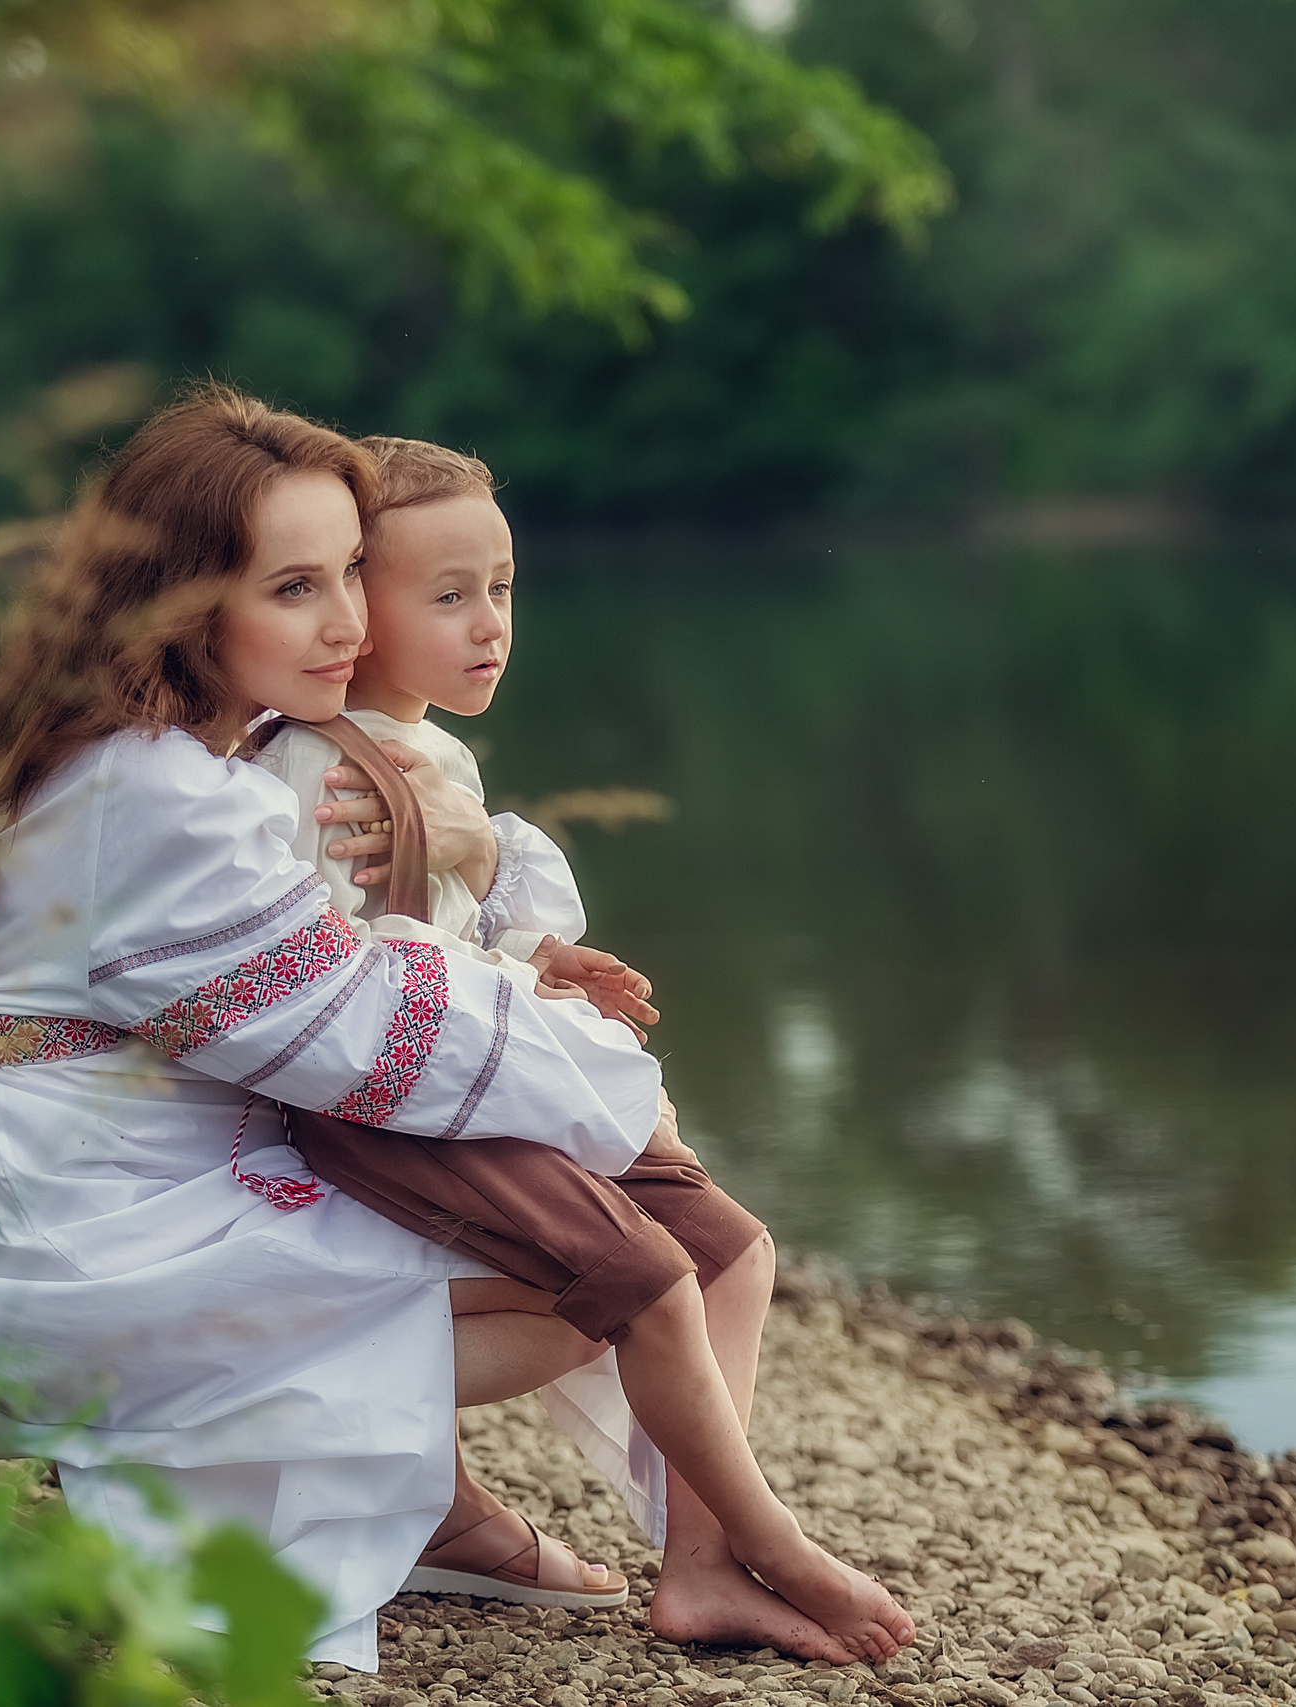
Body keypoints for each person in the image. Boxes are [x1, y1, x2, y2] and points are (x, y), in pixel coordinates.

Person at [0, 385, 911, 1671]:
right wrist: (604, 1076)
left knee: (638, 1241)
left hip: (129, 1167)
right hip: (99, 1233)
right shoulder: (159, 797)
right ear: (181, 602)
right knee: (604, 1278)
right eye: (295, 587)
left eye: (350, 576)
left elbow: (354, 979)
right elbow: (361, 1033)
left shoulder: (167, 752)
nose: (349, 623)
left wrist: (506, 918)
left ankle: (477, 1515)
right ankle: (572, 1524)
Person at [250, 440, 901, 1658]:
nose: (489, 624)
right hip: (395, 1108)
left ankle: (700, 1566)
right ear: (353, 606)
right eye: (448, 595)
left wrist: (539, 964)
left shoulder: (431, 755)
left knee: (735, 1252)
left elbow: (436, 930)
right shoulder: (318, 769)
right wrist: (539, 1023)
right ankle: (764, 1542)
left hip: (478, 1073)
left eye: (501, 589)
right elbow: (340, 992)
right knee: (641, 1272)